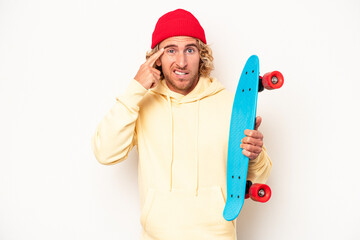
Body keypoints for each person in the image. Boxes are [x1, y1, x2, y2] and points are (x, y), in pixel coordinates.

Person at [91, 9, 272, 240]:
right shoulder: (140, 103)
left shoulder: (230, 104)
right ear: (156, 58)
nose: (181, 61)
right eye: (171, 50)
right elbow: (105, 152)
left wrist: (254, 155)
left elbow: (260, 177)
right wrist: (135, 88)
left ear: (202, 55)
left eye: (190, 50)